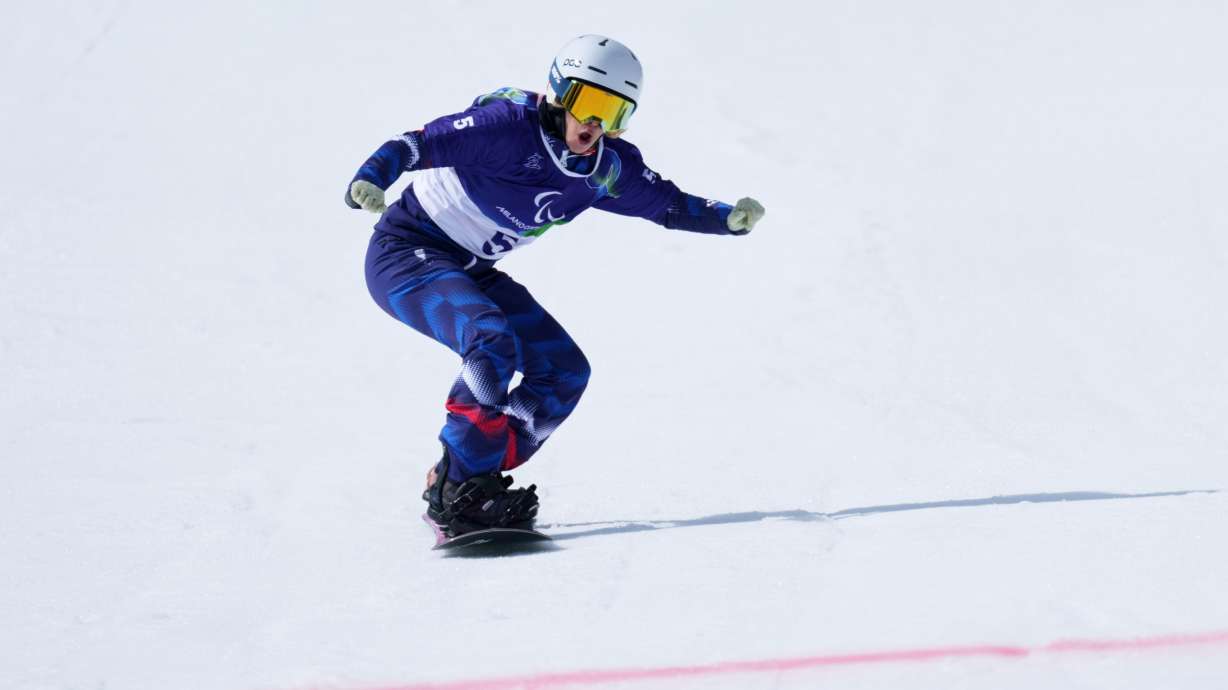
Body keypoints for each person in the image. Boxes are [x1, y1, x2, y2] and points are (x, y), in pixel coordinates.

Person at [346, 34, 765, 535]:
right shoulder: (504, 129)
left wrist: (727, 220)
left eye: (615, 113)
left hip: (469, 267)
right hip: (405, 253)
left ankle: (474, 475)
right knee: (489, 339)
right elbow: (413, 145)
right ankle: (456, 489)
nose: (596, 125)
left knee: (564, 372)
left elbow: (667, 205)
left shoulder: (606, 168)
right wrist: (371, 178)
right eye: (589, 104)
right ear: (557, 92)